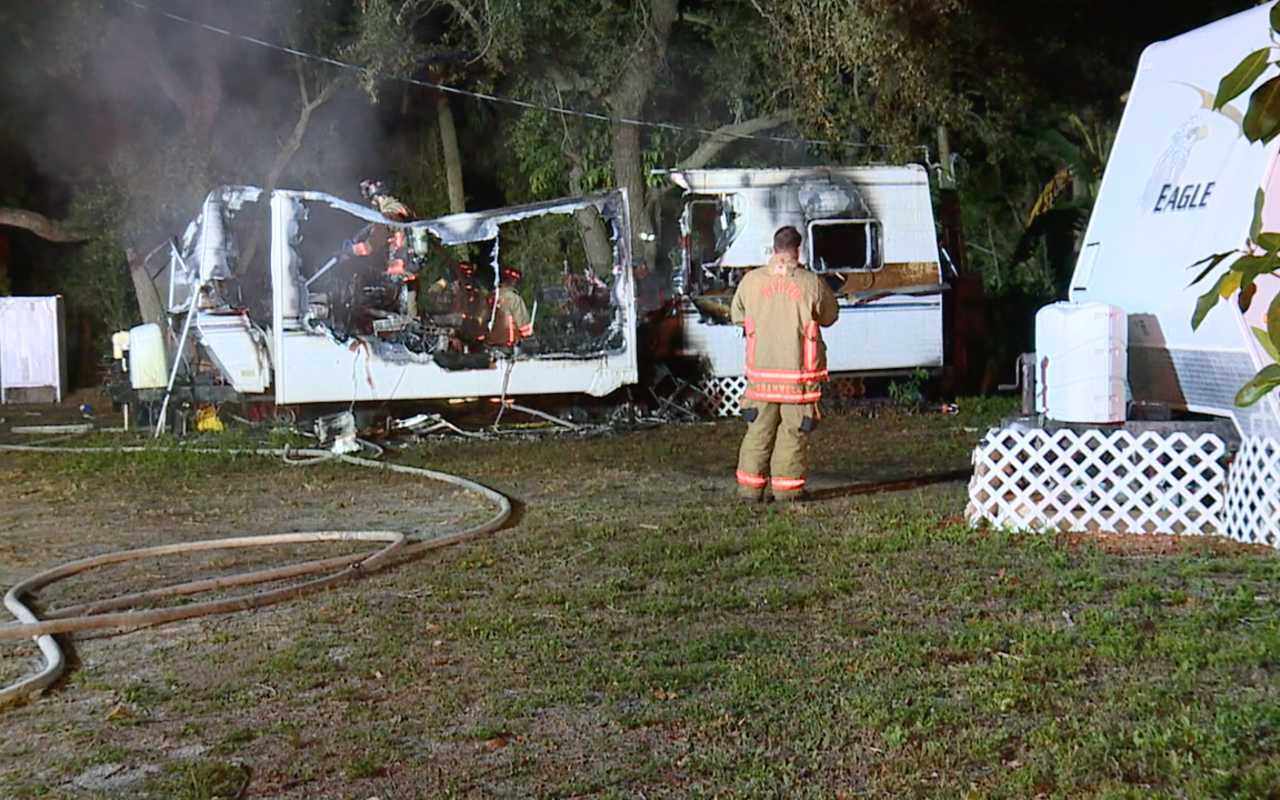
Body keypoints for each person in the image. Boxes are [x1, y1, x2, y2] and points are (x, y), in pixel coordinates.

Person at [730, 225, 839, 502]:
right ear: (798, 250)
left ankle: (749, 491)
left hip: (760, 379)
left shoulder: (751, 281)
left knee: (757, 432)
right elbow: (829, 316)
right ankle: (786, 493)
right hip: (797, 379)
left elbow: (736, 315)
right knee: (793, 435)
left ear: (774, 248)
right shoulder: (811, 283)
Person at [486, 265, 533, 348]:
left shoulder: (490, 296)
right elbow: (524, 326)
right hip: (509, 344)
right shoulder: (514, 298)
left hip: (489, 343)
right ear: (514, 281)